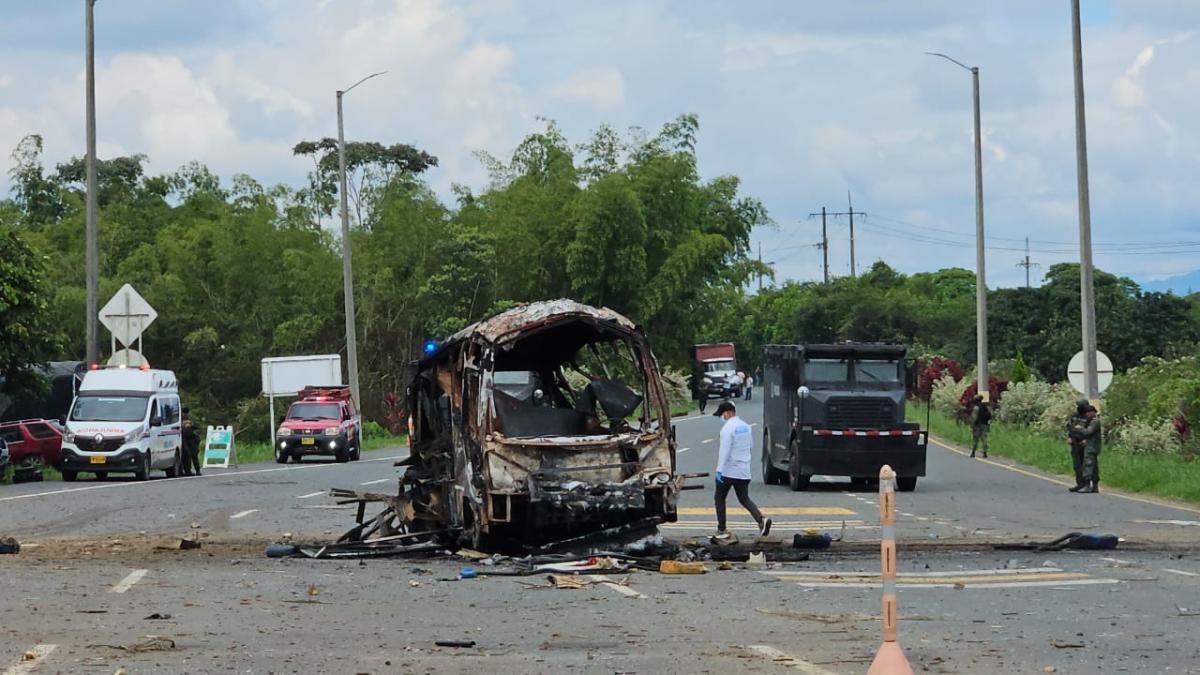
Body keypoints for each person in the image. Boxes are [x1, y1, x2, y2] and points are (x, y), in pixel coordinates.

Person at [711, 400, 771, 539]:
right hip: (743, 471)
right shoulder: (746, 426)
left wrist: (719, 470)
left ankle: (722, 529)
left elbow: (724, 451)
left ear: (727, 413)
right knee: (744, 499)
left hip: (728, 471)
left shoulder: (727, 429)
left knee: (719, 498)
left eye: (722, 415)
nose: (722, 418)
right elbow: (751, 446)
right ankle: (761, 520)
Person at [1065, 398, 1090, 492]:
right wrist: (1070, 437)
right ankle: (1080, 483)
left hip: (1085, 443)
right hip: (1074, 442)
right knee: (1077, 464)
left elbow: (1093, 431)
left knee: (1086, 464)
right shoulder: (1074, 416)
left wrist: (1087, 440)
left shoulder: (1089, 417)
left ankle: (1088, 484)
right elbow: (1069, 427)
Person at [1076, 404, 1102, 493]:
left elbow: (1088, 432)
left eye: (1088, 413)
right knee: (1094, 467)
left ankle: (1087, 485)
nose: (1086, 415)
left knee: (1088, 465)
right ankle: (1094, 486)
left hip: (1091, 447)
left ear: (1092, 412)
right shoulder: (1093, 421)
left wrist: (1081, 429)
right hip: (1092, 445)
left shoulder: (1095, 421)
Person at [182, 407, 202, 477]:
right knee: (187, 455)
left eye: (186, 413)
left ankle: (198, 470)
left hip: (192, 439)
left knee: (194, 455)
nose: (185, 415)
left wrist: (191, 425)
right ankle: (187, 470)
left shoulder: (191, 419)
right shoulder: (179, 419)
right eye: (184, 413)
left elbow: (197, 426)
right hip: (184, 439)